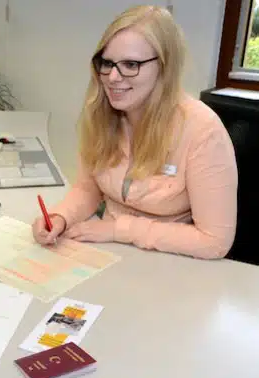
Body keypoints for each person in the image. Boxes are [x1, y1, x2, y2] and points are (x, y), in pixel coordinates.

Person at [33, 5, 238, 260]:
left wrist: (120, 230)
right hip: (106, 253)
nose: (113, 77)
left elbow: (214, 241)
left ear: (165, 67)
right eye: (107, 63)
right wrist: (60, 217)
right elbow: (89, 188)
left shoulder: (203, 131)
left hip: (173, 261)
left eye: (131, 64)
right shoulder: (102, 114)